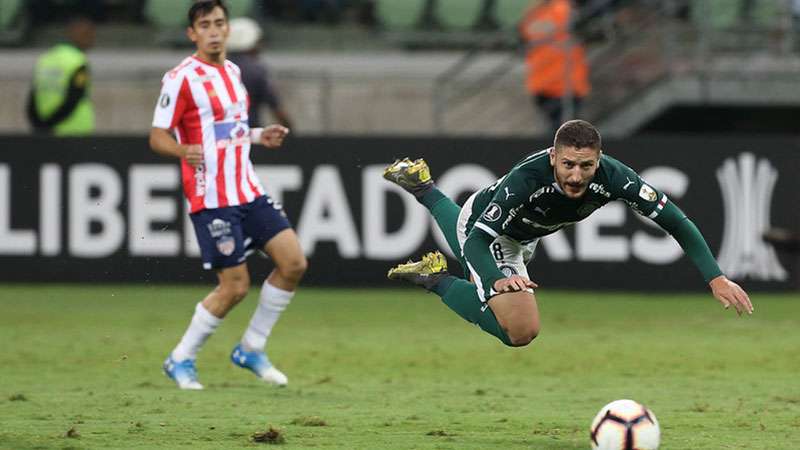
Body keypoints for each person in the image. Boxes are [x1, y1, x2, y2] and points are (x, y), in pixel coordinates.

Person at [384, 120, 753, 347]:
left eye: (586, 165)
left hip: (525, 236)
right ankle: (435, 279)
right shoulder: (526, 180)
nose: (576, 175)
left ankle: (423, 187)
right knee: (521, 331)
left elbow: (677, 222)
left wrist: (715, 277)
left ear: (600, 158)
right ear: (552, 158)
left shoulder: (617, 177)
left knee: (474, 248)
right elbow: (478, 240)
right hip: (493, 234)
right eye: (568, 165)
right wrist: (496, 279)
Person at [149, 0, 307, 390]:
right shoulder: (180, 78)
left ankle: (251, 348)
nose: (215, 31)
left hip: (247, 189)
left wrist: (258, 135)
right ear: (193, 33)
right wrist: (181, 150)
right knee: (234, 286)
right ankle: (180, 358)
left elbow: (226, 129)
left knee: (294, 264)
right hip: (212, 196)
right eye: (206, 25)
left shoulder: (234, 71)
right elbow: (157, 137)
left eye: (220, 23)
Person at [519, 0, 590, 135]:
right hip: (565, 83)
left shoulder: (532, 12)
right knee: (566, 136)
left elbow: (523, 40)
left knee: (555, 133)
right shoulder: (566, 9)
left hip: (540, 82)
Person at [26, 15, 96, 136]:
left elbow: (33, 97)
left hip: (43, 130)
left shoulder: (45, 59)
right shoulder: (78, 62)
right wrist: (52, 122)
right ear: (72, 33)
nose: (91, 39)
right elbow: (73, 98)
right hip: (75, 130)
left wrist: (40, 124)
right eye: (87, 34)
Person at [226, 17, 293, 129]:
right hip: (250, 134)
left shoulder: (216, 67)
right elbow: (276, 108)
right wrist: (290, 130)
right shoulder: (256, 70)